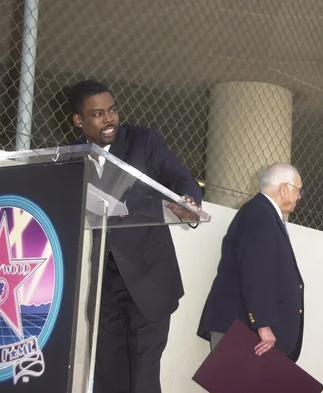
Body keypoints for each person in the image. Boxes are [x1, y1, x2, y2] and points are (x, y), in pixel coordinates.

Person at [67, 79, 204, 393]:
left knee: (142, 379)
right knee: (107, 378)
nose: (110, 119)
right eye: (98, 114)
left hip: (150, 280)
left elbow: (179, 177)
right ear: (79, 120)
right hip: (105, 284)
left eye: (112, 110)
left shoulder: (144, 141)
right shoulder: (74, 156)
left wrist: (188, 200)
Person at [197, 163, 305, 361]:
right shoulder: (260, 214)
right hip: (246, 331)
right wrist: (263, 325)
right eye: (298, 190)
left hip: (247, 330)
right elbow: (256, 271)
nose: (299, 197)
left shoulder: (263, 214)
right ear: (283, 189)